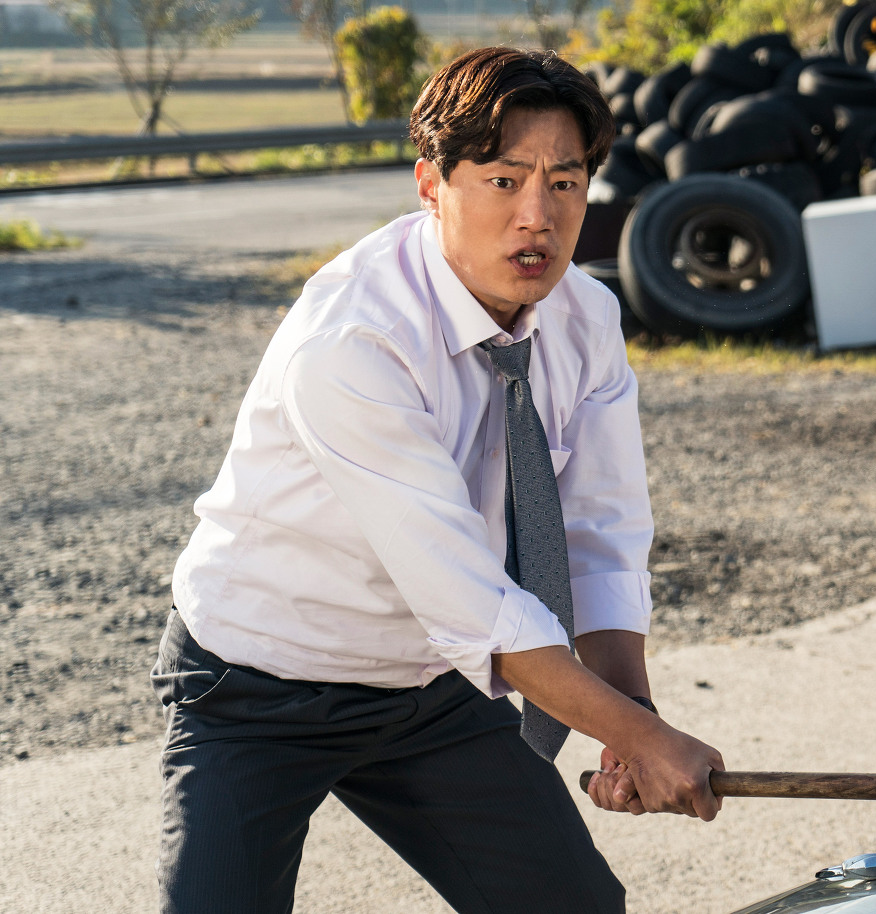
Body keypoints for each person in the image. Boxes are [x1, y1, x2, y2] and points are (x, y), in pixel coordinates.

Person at [151, 46, 724, 914]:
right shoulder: (354, 342)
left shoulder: (586, 317)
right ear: (431, 183)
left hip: (427, 686)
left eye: (564, 183)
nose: (537, 216)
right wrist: (643, 737)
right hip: (260, 680)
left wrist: (629, 718)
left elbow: (601, 535)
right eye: (504, 181)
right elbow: (473, 605)